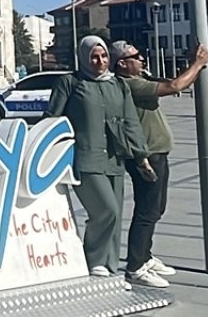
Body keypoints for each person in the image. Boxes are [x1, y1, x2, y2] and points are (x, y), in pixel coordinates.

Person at [44, 35, 154, 278]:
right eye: (94, 57)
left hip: (114, 158)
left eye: (103, 56)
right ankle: (92, 258)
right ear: (83, 57)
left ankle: (110, 265)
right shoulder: (71, 82)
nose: (100, 61)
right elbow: (52, 118)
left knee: (115, 217)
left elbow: (130, 122)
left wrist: (141, 156)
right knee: (107, 211)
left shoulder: (119, 85)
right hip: (85, 157)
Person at [110, 40, 208, 288]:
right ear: (122, 63)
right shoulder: (129, 84)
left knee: (157, 207)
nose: (142, 59)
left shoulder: (140, 76)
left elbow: (171, 81)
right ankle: (135, 266)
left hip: (157, 152)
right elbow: (175, 85)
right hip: (146, 155)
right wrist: (198, 64)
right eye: (137, 56)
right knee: (147, 209)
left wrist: (190, 64)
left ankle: (145, 255)